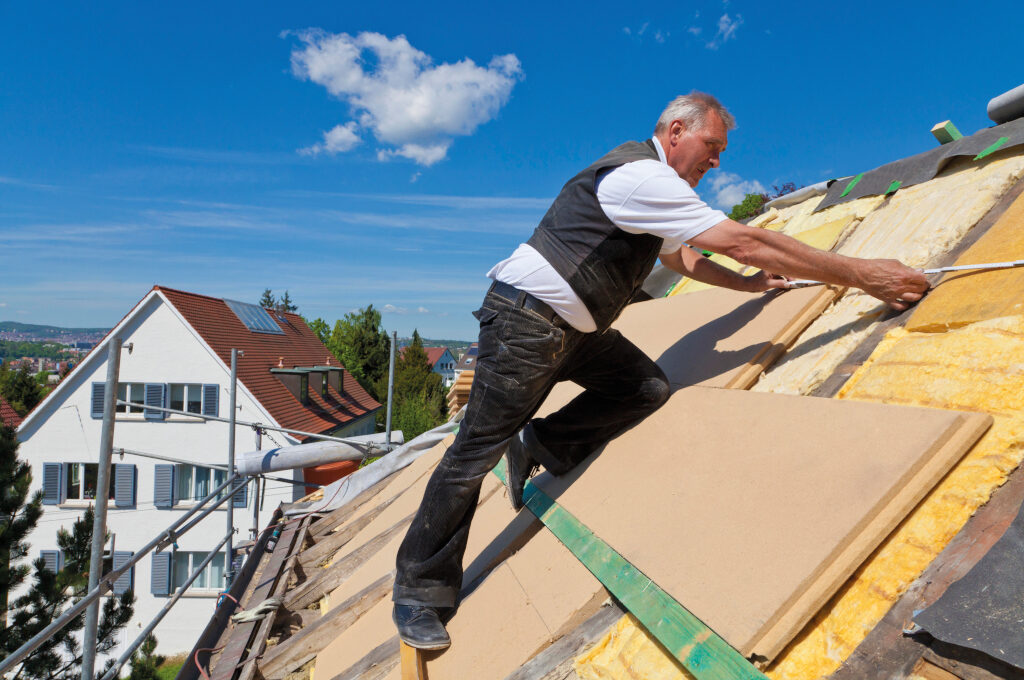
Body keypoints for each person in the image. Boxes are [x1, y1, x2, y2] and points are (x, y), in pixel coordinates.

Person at [392, 92, 929, 649]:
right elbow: (744, 240)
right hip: (525, 324)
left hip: (576, 332)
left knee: (646, 387)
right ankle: (418, 593)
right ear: (676, 131)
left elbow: (682, 257)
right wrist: (863, 274)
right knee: (471, 456)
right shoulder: (641, 177)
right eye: (711, 146)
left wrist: (745, 286)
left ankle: (541, 440)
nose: (716, 161)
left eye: (721, 151)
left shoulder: (656, 192)